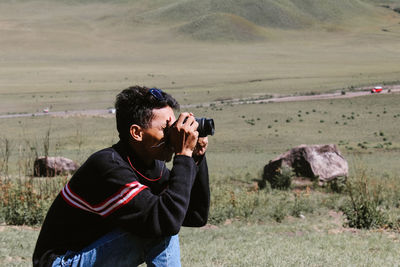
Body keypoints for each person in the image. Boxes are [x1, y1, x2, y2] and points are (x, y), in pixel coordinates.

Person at [33, 86, 210, 267]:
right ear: (136, 133)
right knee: (158, 227)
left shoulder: (152, 166)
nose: (175, 135)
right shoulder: (108, 166)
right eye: (167, 129)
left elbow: (195, 216)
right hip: (60, 262)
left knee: (159, 221)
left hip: (88, 254)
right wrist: (183, 155)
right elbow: (166, 222)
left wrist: (196, 158)